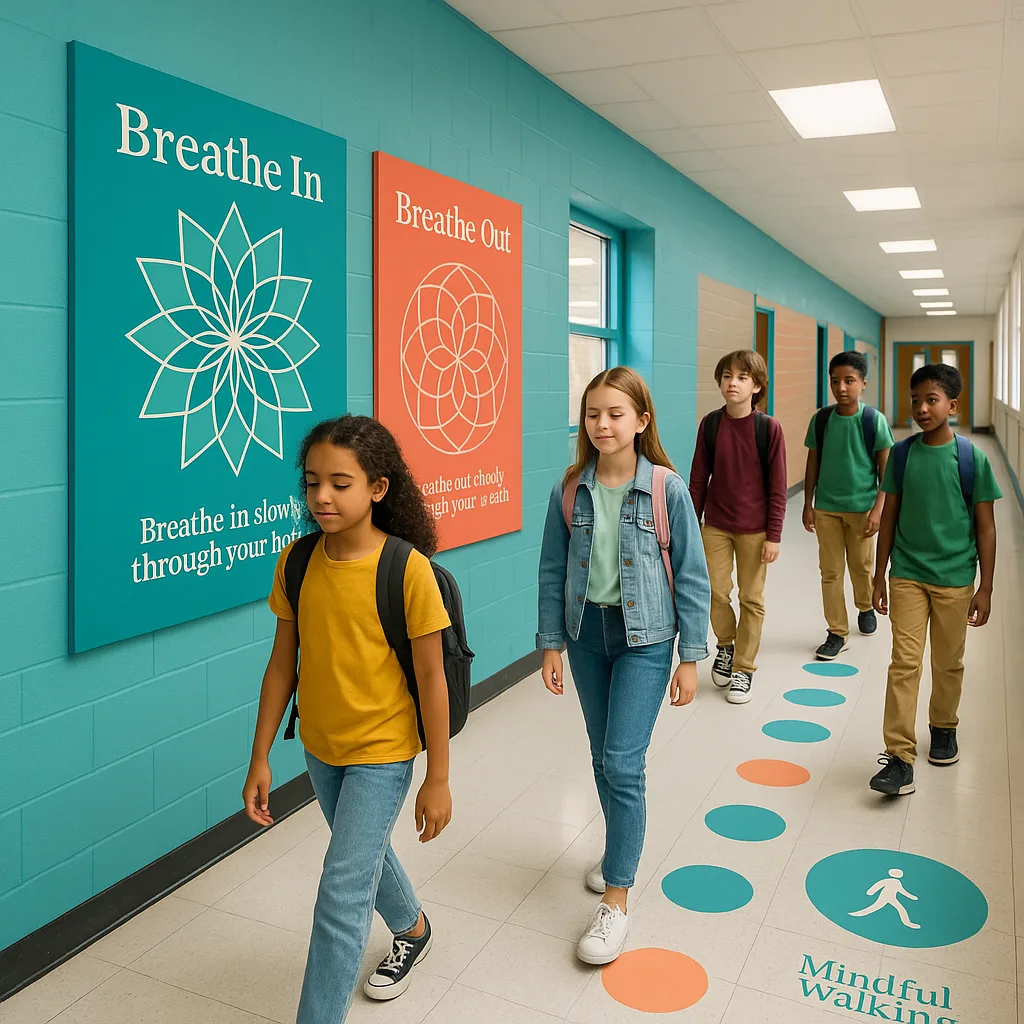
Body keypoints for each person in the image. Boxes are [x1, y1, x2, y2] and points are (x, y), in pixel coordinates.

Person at [242, 415, 453, 1024]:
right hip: (319, 746)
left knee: (340, 891)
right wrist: (260, 756)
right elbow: (282, 665)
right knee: (358, 856)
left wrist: (437, 775)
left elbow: (433, 680)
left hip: (384, 752)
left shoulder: (406, 569)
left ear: (378, 489)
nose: (322, 497)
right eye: (312, 484)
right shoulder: (298, 562)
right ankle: (412, 927)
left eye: (340, 483)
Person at [537, 366, 710, 966]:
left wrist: (691, 657)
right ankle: (619, 853)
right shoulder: (569, 489)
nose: (602, 424)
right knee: (600, 758)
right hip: (587, 637)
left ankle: (617, 898)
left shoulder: (666, 489)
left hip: (646, 639)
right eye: (592, 414)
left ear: (641, 421)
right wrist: (552, 643)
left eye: (615, 413)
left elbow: (690, 574)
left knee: (621, 761)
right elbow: (553, 572)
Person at [870, 365, 1001, 796]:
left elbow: (986, 527)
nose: (922, 408)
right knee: (904, 664)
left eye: (932, 400)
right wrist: (879, 574)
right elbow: (888, 517)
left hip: (955, 579)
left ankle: (943, 727)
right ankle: (900, 756)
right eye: (916, 400)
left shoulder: (970, 458)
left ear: (953, 406)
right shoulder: (903, 455)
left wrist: (985, 586)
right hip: (907, 574)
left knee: (948, 663)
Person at [688, 349, 787, 704]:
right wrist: (691, 526)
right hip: (715, 524)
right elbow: (698, 480)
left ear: (757, 386)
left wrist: (774, 535)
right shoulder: (711, 425)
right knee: (714, 591)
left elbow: (778, 487)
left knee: (751, 598)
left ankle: (744, 668)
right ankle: (725, 647)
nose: (733, 383)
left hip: (755, 529)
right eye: (728, 376)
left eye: (743, 377)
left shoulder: (768, 429)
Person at [802, 351, 895, 661]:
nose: (841, 387)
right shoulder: (822, 419)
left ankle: (864, 605)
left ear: (863, 384)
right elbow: (813, 461)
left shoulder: (873, 420)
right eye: (835, 381)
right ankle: (836, 631)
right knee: (830, 571)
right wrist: (808, 503)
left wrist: (878, 510)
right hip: (827, 508)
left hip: (862, 509)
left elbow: (887, 471)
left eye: (849, 381)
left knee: (861, 566)